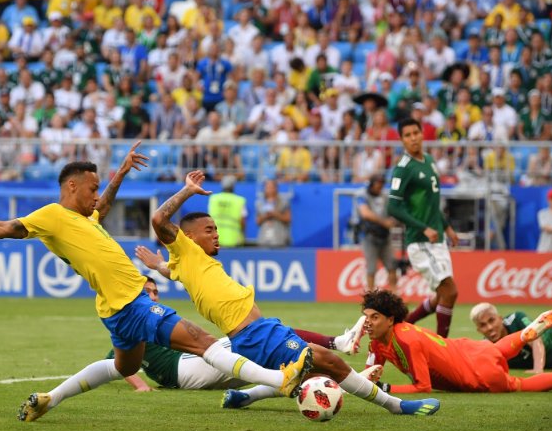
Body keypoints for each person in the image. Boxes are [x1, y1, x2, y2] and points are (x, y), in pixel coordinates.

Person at [0, 146, 306, 422]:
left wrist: (121, 172)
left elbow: (103, 207)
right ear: (72, 186)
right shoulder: (51, 216)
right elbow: (3, 229)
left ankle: (51, 398)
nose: (96, 195)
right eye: (91, 187)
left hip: (113, 309)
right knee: (202, 341)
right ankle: (279, 379)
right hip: (131, 301)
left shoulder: (85, 217)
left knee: (125, 366)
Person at [136, 171, 441, 416]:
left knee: (305, 374)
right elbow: (159, 220)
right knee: (328, 363)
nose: (216, 235)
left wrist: (160, 265)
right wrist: (187, 190)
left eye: (216, 229)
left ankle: (244, 397)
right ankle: (396, 406)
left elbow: (173, 272)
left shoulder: (186, 263)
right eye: (209, 230)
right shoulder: (186, 250)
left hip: (259, 330)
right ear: (188, 237)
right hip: (254, 334)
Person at [90, 277, 365, 392]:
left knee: (273, 350)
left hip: (187, 368)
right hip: (184, 370)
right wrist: (141, 386)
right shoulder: (137, 317)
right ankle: (338, 349)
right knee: (268, 339)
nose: (153, 295)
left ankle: (340, 369)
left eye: (155, 291)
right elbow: (117, 362)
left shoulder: (148, 316)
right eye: (147, 292)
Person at [359, 289, 552, 394]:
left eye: (374, 317)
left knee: (520, 384)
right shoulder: (378, 341)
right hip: (472, 349)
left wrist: (385, 388)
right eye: (366, 317)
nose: (368, 322)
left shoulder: (406, 340)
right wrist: (353, 382)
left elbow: (423, 387)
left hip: (476, 376)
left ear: (390, 320)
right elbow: (367, 376)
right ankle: (523, 335)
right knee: (497, 349)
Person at [389, 118, 459, 335]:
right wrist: (423, 228)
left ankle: (403, 326)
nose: (413, 138)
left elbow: (431, 203)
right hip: (419, 242)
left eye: (415, 133)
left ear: (422, 134)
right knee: (450, 291)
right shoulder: (403, 169)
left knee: (441, 295)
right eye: (407, 135)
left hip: (437, 240)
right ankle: (442, 349)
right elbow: (393, 207)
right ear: (402, 140)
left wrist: (446, 227)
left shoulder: (428, 160)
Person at [356, 173, 399, 291]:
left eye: (382, 184)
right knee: (371, 268)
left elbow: (394, 212)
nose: (380, 187)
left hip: (385, 236)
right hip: (369, 236)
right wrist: (384, 222)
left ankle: (394, 295)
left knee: (392, 266)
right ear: (371, 184)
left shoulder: (385, 196)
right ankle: (370, 296)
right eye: (378, 184)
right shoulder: (362, 194)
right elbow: (365, 213)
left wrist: (393, 220)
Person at [206, 174, 246, 247]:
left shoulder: (214, 199)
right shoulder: (239, 200)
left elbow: (208, 218)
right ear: (233, 186)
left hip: (215, 239)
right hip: (233, 240)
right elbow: (242, 221)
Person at [255, 180, 291, 247]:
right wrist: (266, 216)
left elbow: (288, 219)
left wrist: (275, 214)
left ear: (276, 188)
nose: (269, 189)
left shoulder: (284, 202)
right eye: (267, 187)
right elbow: (258, 221)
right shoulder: (259, 203)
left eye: (271, 187)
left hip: (279, 239)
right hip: (264, 239)